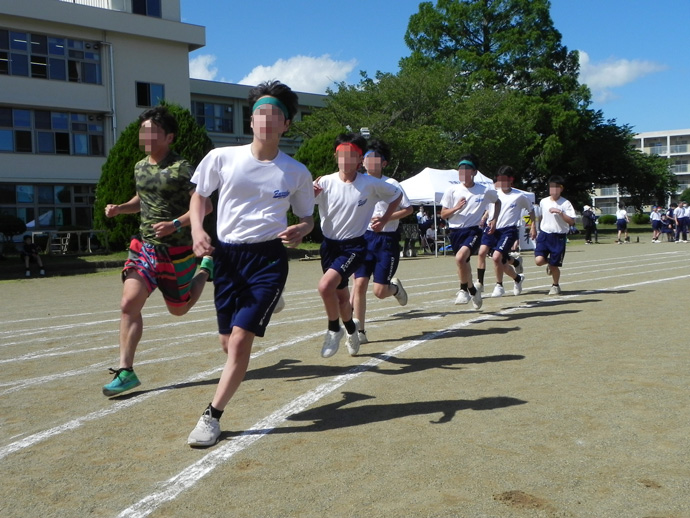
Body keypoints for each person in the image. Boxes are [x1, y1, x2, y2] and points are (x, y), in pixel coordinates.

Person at [186, 80, 315, 447]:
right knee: (228, 344)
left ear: (286, 125)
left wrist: (301, 230)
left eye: (275, 114)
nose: (266, 120)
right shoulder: (221, 158)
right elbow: (199, 198)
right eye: (260, 113)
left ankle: (211, 416)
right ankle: (270, 304)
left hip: (268, 259)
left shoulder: (295, 172)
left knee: (240, 341)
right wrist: (197, 231)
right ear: (251, 120)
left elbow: (307, 218)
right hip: (228, 259)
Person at [102, 106, 214, 397]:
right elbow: (142, 199)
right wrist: (120, 209)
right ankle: (126, 370)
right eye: (143, 130)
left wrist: (176, 222)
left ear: (169, 137)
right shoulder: (140, 167)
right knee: (129, 303)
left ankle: (205, 268)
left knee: (180, 309)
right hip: (144, 247)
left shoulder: (183, 167)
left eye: (152, 131)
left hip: (176, 250)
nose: (146, 135)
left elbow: (205, 205)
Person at [314, 132, 402, 358]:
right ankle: (352, 330)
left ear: (360, 159)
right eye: (341, 154)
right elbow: (300, 205)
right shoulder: (324, 182)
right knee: (342, 298)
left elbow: (396, 196)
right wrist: (307, 195)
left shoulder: (370, 184)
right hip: (329, 247)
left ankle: (334, 330)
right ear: (336, 156)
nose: (345, 159)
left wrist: (384, 219)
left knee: (325, 287)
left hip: (354, 247)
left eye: (351, 155)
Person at [351, 139, 413, 344]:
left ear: (384, 163)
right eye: (367, 157)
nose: (370, 161)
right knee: (359, 284)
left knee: (379, 292)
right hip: (363, 239)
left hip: (387, 240)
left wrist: (387, 218)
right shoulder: (357, 181)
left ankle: (394, 289)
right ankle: (359, 330)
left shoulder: (392, 184)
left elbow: (408, 209)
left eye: (376, 158)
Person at [440, 154, 500, 310]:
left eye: (467, 169)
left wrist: (493, 219)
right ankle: (473, 290)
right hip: (454, 232)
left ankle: (463, 290)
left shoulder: (484, 191)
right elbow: (443, 214)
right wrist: (456, 208)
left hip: (473, 231)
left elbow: (497, 201)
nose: (464, 172)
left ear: (474, 172)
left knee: (460, 259)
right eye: (461, 169)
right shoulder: (452, 190)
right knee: (464, 263)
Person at [486, 166, 537, 297]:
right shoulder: (494, 194)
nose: (502, 183)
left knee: (497, 258)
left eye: (504, 180)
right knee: (500, 262)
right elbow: (488, 210)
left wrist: (532, 226)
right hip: (494, 230)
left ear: (511, 180)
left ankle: (499, 285)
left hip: (509, 231)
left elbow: (530, 211)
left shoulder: (519, 196)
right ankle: (518, 278)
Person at [534, 175, 576, 295]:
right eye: (551, 187)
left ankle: (555, 285)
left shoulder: (565, 203)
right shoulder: (543, 201)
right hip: (544, 234)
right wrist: (534, 228)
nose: (553, 189)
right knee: (538, 261)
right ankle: (550, 262)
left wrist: (560, 212)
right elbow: (540, 217)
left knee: (554, 266)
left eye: (556, 187)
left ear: (561, 188)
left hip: (558, 237)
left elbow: (572, 221)